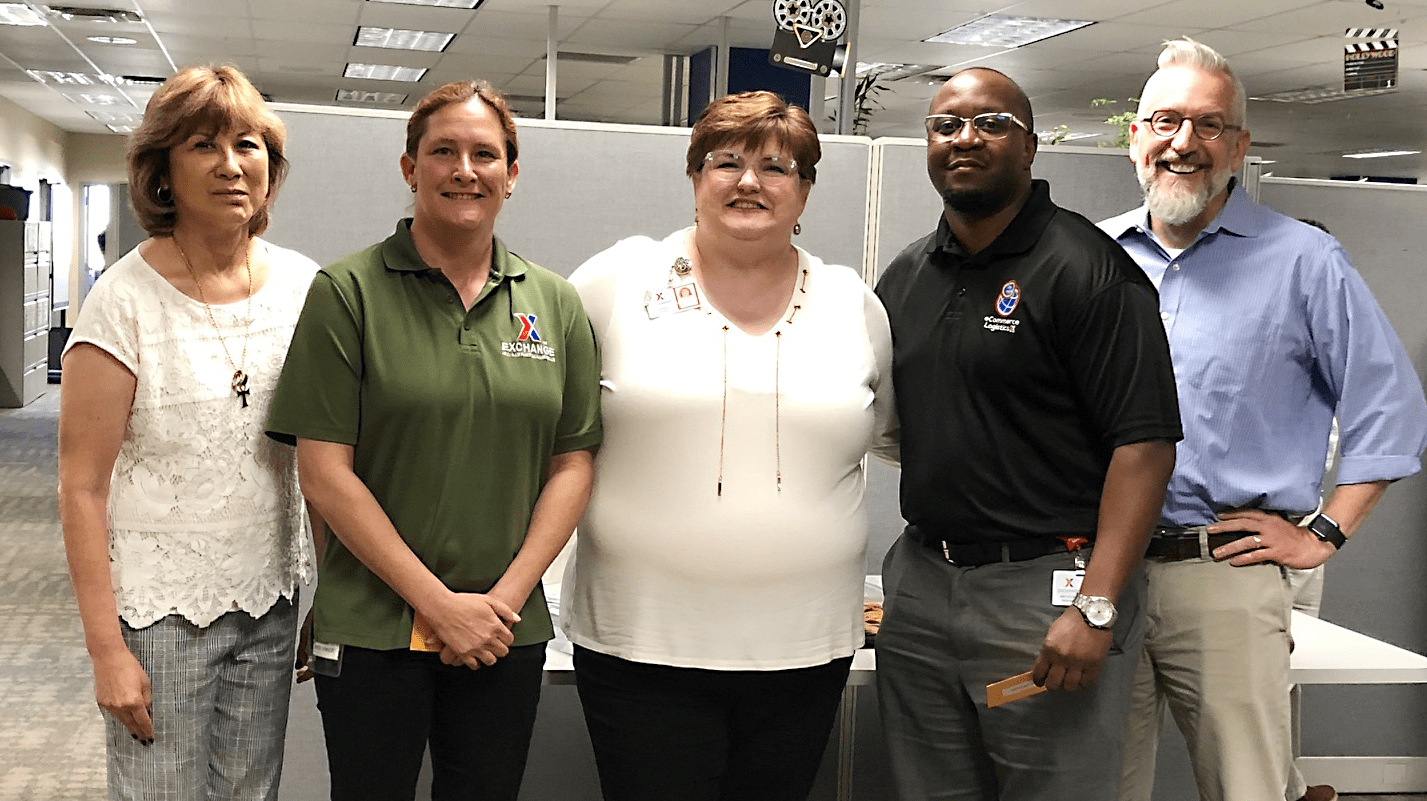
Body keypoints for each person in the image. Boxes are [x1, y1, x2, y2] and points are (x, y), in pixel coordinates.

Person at [1098, 38, 1427, 801]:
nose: (1185, 143)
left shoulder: (1303, 260)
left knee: (1246, 787)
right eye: (1166, 121)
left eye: (1209, 126)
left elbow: (1391, 408)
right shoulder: (1092, 257)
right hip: (1096, 573)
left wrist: (1322, 532)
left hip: (1223, 574)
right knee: (1093, 780)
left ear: (1238, 146)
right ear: (1135, 138)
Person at [265, 80, 601, 801]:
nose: (463, 169)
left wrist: (501, 601)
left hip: (503, 628)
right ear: (409, 167)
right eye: (442, 150)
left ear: (511, 174)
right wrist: (439, 604)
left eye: (485, 153)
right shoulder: (347, 291)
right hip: (374, 627)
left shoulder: (552, 302)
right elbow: (324, 474)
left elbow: (572, 462)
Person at [561, 90, 896, 801]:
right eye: (725, 162)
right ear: (693, 177)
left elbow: (889, 430)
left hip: (805, 647)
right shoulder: (614, 282)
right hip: (640, 639)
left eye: (776, 167)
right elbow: (549, 433)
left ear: (804, 190)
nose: (748, 181)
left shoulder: (853, 304)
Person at [873, 67, 1182, 801]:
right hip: (923, 586)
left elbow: (1144, 447)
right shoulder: (905, 277)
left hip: (1047, 592)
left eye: (990, 123)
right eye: (946, 125)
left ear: (1029, 146)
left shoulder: (1088, 271)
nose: (965, 139)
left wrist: (1096, 603)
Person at [57, 65, 319, 800]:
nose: (232, 164)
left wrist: (319, 590)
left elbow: (321, 454)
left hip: (267, 598)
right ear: (163, 171)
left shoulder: (305, 287)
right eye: (203, 144)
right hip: (156, 611)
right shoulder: (122, 301)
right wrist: (106, 647)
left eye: (249, 143)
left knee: (250, 791)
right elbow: (81, 485)